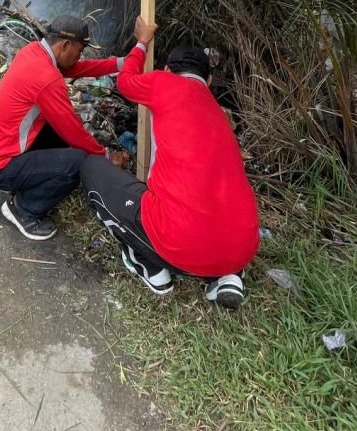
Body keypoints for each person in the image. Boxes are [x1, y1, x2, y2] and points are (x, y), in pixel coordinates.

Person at [80, 17, 260, 308]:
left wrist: (141, 42)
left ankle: (150, 266)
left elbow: (125, 81)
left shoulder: (165, 83)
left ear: (166, 71)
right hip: (243, 247)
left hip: (178, 241)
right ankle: (226, 278)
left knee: (91, 167)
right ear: (209, 80)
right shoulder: (219, 113)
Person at [0, 15, 131, 241]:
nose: (80, 57)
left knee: (62, 135)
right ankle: (24, 209)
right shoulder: (45, 77)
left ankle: (30, 181)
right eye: (79, 51)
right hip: (0, 167)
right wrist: (107, 156)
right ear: (65, 45)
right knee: (79, 160)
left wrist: (120, 64)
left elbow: (79, 69)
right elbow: (74, 132)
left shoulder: (33, 52)